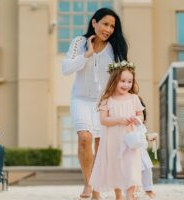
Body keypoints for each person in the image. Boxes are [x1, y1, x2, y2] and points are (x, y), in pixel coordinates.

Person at [61, 8, 128, 198]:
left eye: (112, 26)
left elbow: (122, 78)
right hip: (80, 99)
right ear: (94, 23)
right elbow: (66, 69)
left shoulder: (116, 48)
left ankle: (98, 187)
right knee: (84, 138)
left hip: (104, 102)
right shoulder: (79, 43)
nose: (108, 29)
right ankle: (88, 183)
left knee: (102, 145)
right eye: (105, 24)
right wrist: (87, 54)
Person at [90, 61, 143, 200]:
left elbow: (141, 116)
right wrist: (119, 120)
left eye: (130, 81)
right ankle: (118, 194)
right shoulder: (107, 99)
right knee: (116, 166)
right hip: (113, 139)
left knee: (131, 165)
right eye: (123, 81)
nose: (126, 84)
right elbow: (103, 120)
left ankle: (130, 194)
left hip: (130, 138)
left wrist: (136, 120)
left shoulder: (134, 98)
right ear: (114, 80)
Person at [138, 97, 156, 199]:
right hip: (132, 152)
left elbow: (143, 136)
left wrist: (149, 137)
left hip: (142, 152)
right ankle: (135, 189)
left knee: (147, 170)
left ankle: (148, 189)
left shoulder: (142, 126)